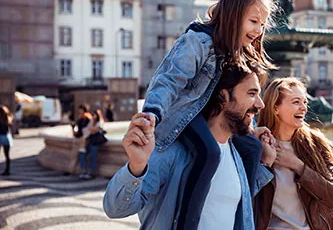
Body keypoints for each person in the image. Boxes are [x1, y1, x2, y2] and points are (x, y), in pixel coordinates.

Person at [140, 0, 278, 225]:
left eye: (262, 24)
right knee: (209, 152)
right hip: (183, 115)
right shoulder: (198, 40)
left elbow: (239, 98)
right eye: (254, 21)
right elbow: (169, 80)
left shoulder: (237, 50)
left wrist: (249, 126)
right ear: (234, 15)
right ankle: (187, 222)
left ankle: (240, 213)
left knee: (253, 148)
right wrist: (153, 112)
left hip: (211, 117)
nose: (259, 30)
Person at [103, 62, 276, 229]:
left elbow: (234, 205)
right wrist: (137, 166)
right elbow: (116, 208)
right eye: (252, 94)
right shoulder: (173, 152)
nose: (260, 104)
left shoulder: (235, 154)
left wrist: (265, 163)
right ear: (223, 97)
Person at [255, 78, 333, 230]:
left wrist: (297, 165)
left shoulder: (316, 144)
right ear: (275, 107)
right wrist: (264, 163)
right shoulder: (257, 146)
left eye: (304, 102)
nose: (304, 108)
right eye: (296, 102)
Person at [78, 109, 104, 179]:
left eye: (94, 115)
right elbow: (89, 129)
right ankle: (84, 170)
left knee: (93, 156)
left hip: (95, 142)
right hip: (89, 141)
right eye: (92, 115)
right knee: (82, 154)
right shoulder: (92, 122)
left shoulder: (100, 122)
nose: (93, 116)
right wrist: (92, 122)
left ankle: (91, 172)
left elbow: (92, 130)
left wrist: (91, 124)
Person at [0, 105, 13, 176]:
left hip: (0, 136)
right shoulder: (8, 118)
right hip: (7, 137)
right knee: (7, 155)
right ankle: (7, 170)